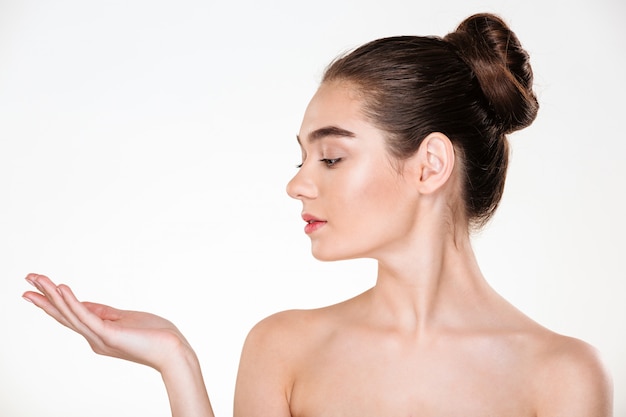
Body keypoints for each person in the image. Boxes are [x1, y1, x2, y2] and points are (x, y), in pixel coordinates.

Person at [22, 13, 612, 417]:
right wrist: (176, 362)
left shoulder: (562, 376)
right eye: (303, 157)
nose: (297, 183)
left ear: (430, 164)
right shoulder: (283, 347)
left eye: (331, 157)